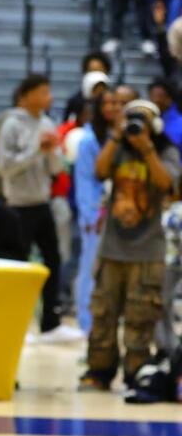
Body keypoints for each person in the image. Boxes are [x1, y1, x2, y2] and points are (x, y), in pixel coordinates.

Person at [81, 100, 181, 390]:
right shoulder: (117, 149)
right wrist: (115, 136)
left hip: (148, 250)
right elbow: (99, 172)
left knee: (141, 317)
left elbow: (167, 185)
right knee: (103, 313)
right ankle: (98, 371)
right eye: (131, 120)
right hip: (112, 248)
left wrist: (147, 149)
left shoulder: (166, 152)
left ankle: (135, 372)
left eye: (142, 121)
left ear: (156, 126)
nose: (136, 126)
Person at [0, 75, 78, 340]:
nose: (49, 98)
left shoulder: (46, 123)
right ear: (26, 94)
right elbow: (4, 167)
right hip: (17, 205)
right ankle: (17, 322)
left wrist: (53, 152)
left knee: (53, 260)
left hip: (42, 202)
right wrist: (36, 149)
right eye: (43, 92)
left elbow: (56, 169)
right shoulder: (10, 124)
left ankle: (50, 323)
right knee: (18, 265)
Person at [74, 89, 123, 336]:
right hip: (97, 214)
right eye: (107, 103)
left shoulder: (130, 136)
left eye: (117, 103)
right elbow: (84, 181)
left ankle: (112, 321)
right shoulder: (88, 140)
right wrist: (91, 215)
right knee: (90, 269)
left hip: (124, 214)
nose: (113, 107)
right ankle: (86, 323)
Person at [64, 52, 114, 124]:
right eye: (91, 71)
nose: (96, 75)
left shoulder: (114, 98)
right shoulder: (75, 102)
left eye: (99, 70)